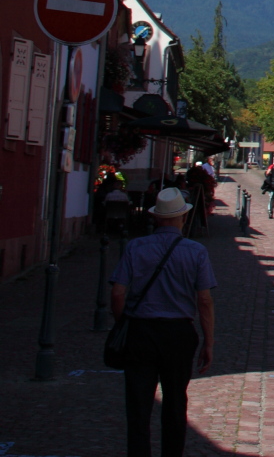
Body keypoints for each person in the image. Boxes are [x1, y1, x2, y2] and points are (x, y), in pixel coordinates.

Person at [110, 187, 217, 457]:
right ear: (183, 217)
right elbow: (204, 300)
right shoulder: (196, 251)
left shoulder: (136, 247)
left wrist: (123, 324)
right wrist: (208, 342)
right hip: (178, 333)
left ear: (156, 218)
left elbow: (118, 293)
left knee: (138, 405)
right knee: (175, 402)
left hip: (141, 331)